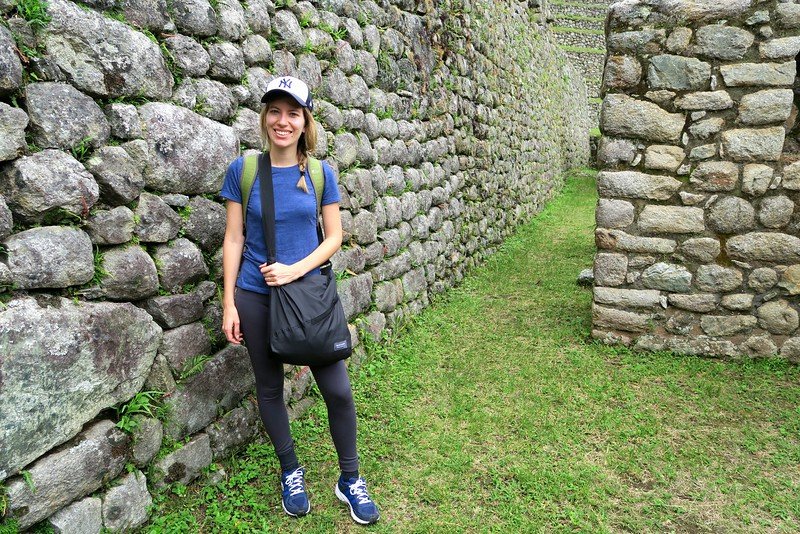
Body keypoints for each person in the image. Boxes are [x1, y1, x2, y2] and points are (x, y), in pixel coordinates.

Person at [220, 75, 380, 525]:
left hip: (307, 295)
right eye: (275, 111)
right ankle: (291, 469)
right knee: (270, 389)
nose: (282, 121)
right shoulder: (245, 170)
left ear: (305, 121)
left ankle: (349, 478)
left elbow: (334, 238)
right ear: (265, 117)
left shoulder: (320, 173)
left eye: (293, 113)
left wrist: (295, 268)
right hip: (255, 294)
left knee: (338, 390)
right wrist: (229, 302)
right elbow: (233, 239)